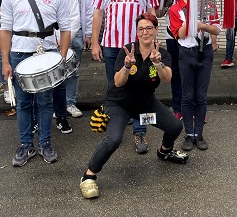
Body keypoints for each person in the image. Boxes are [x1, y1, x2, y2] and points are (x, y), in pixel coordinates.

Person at [79, 13, 188, 199]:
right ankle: (88, 176)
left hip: (144, 106)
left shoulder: (163, 53)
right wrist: (127, 67)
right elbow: (118, 82)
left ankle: (165, 151)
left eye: (148, 28)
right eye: (140, 29)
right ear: (137, 32)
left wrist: (158, 63)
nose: (145, 32)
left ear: (155, 30)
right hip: (120, 105)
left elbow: (166, 78)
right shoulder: (127, 51)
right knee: (113, 139)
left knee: (175, 126)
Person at [0, 0, 71, 167]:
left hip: (47, 54)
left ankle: (45, 143)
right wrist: (5, 61)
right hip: (19, 54)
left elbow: (66, 29)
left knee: (45, 102)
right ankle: (25, 145)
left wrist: (62, 56)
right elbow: (5, 30)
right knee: (23, 103)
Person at [91, 0, 158, 154]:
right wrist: (94, 42)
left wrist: (153, 42)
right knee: (116, 87)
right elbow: (98, 13)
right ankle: (115, 130)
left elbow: (152, 12)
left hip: (140, 47)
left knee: (143, 88)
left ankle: (140, 131)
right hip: (112, 45)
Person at [169, 0, 221, 151]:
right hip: (186, 53)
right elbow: (180, 34)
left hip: (204, 52)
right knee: (187, 95)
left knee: (201, 95)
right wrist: (192, 21)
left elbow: (216, 30)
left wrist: (201, 24)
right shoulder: (175, 9)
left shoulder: (206, 5)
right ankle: (188, 134)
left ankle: (199, 133)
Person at [43, 0, 80, 134]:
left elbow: (74, 19)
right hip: (42, 45)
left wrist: (62, 41)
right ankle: (38, 118)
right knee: (41, 83)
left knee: (60, 83)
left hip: (61, 44)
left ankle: (61, 116)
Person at [58, 0, 93, 118]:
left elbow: (88, 11)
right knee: (56, 69)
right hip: (56, 33)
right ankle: (56, 104)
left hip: (77, 33)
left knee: (73, 69)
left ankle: (70, 102)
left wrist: (88, 34)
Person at [166, 0, 190, 120]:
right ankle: (177, 107)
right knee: (176, 72)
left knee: (191, 72)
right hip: (172, 35)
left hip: (191, 37)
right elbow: (161, 10)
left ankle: (192, 106)